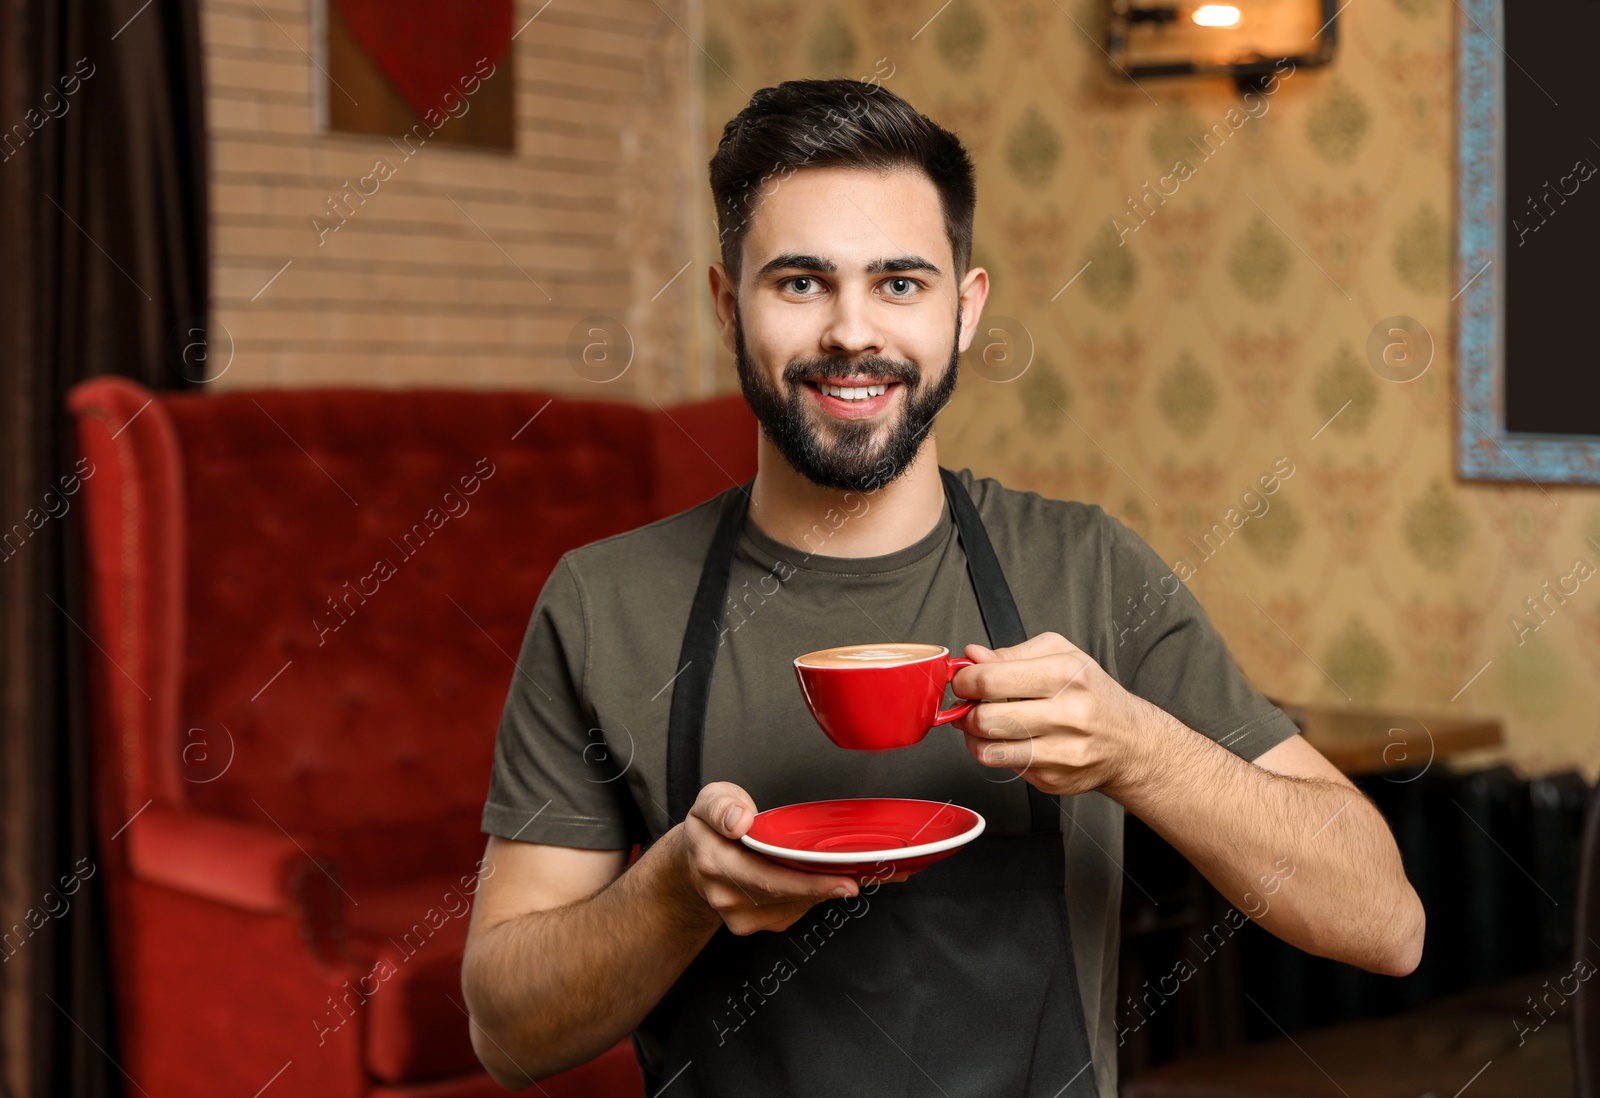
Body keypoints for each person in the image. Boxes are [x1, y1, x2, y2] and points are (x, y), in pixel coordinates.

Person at [460, 78, 1424, 1097]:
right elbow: (509, 1034)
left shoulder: (1087, 567)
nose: (850, 332)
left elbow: (1385, 924)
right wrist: (676, 891)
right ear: (722, 305)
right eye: (798, 283)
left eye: (899, 284)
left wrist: (1141, 749)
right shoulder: (605, 604)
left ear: (964, 312)